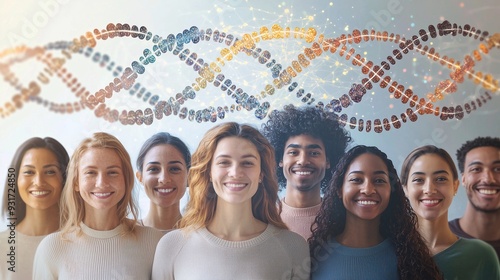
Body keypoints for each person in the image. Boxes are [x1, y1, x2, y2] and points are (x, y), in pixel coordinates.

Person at [152, 122, 310, 280]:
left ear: (261, 174)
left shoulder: (293, 247)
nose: (235, 173)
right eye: (224, 162)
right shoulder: (172, 246)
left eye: (247, 163)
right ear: (209, 172)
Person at [33, 132, 163, 279]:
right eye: (91, 173)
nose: (101, 183)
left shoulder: (154, 243)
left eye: (112, 172)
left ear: (126, 181)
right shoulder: (52, 248)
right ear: (76, 182)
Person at [309, 145, 442, 280]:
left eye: (379, 180)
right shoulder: (314, 257)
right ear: (339, 189)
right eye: (356, 180)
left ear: (391, 191)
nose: (368, 190)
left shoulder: (411, 259)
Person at [401, 145, 499, 279]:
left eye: (440, 179)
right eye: (419, 180)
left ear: (455, 186)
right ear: (405, 189)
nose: (429, 189)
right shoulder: (388, 252)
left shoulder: (481, 255)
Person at [261, 105, 352, 239]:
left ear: (328, 161)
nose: (303, 161)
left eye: (314, 153)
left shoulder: (344, 223)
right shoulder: (262, 220)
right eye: (293, 152)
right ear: (280, 159)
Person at [0, 137, 69, 280]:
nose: (38, 182)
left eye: (50, 172)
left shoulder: (83, 240)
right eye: (28, 172)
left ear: (65, 178)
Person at [449, 136, 500, 258]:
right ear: (463, 179)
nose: (488, 179)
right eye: (476, 169)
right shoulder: (437, 239)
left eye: (498, 169)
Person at [136, 132, 191, 231]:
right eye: (153, 169)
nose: (164, 179)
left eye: (174, 169)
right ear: (140, 177)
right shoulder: (124, 235)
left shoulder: (202, 237)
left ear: (189, 176)